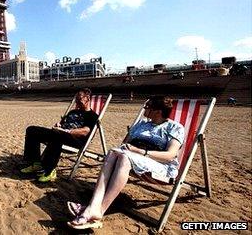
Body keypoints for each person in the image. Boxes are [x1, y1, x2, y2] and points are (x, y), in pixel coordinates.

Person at [67, 96, 185, 229]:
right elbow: (124, 143)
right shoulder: (141, 124)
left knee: (124, 158)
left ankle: (99, 210)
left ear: (158, 111)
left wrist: (140, 151)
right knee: (112, 152)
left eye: (147, 107)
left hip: (159, 165)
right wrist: (129, 148)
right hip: (133, 157)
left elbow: (169, 156)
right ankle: (93, 207)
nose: (144, 109)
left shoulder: (175, 127)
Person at [20, 88, 98, 182]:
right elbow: (61, 124)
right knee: (31, 130)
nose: (77, 101)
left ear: (88, 98)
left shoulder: (92, 115)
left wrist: (67, 131)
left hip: (76, 141)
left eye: (79, 98)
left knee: (57, 135)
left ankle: (49, 171)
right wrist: (59, 125)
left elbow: (85, 131)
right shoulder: (72, 112)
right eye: (76, 98)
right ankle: (36, 163)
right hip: (59, 134)